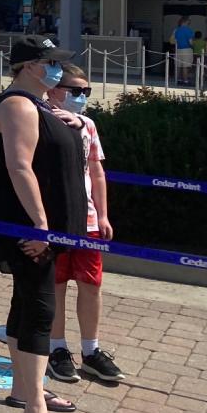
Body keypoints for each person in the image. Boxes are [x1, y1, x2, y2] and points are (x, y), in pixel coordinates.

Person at [0, 35, 86, 413]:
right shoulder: (18, 105)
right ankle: (34, 410)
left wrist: (74, 123)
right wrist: (40, 225)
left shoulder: (39, 105)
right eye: (50, 62)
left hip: (40, 227)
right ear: (29, 66)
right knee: (40, 309)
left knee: (26, 302)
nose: (58, 70)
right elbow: (20, 167)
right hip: (29, 230)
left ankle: (25, 389)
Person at [45, 64, 125, 385]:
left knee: (90, 285)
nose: (81, 97)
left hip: (88, 220)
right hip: (54, 219)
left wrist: (103, 215)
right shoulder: (39, 118)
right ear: (53, 90)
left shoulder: (89, 125)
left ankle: (91, 351)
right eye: (74, 91)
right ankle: (57, 349)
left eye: (85, 92)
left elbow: (96, 172)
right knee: (56, 285)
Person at [172, 16, 194, 85]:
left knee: (178, 66)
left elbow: (174, 40)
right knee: (185, 66)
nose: (190, 22)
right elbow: (190, 42)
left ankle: (177, 80)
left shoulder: (176, 30)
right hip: (186, 49)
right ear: (186, 21)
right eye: (189, 21)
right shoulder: (188, 30)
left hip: (178, 49)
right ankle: (185, 81)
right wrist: (193, 46)